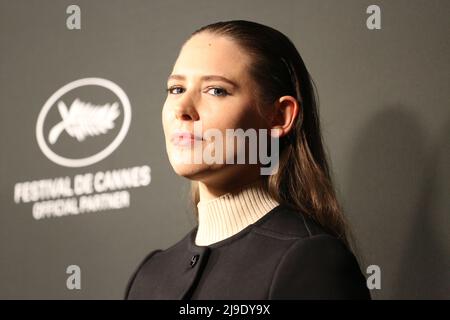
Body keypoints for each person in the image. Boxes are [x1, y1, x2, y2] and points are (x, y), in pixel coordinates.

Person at [125, 20, 371, 300]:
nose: (182, 109)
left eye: (216, 90)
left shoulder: (309, 260)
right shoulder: (150, 275)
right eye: (176, 89)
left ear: (279, 117)